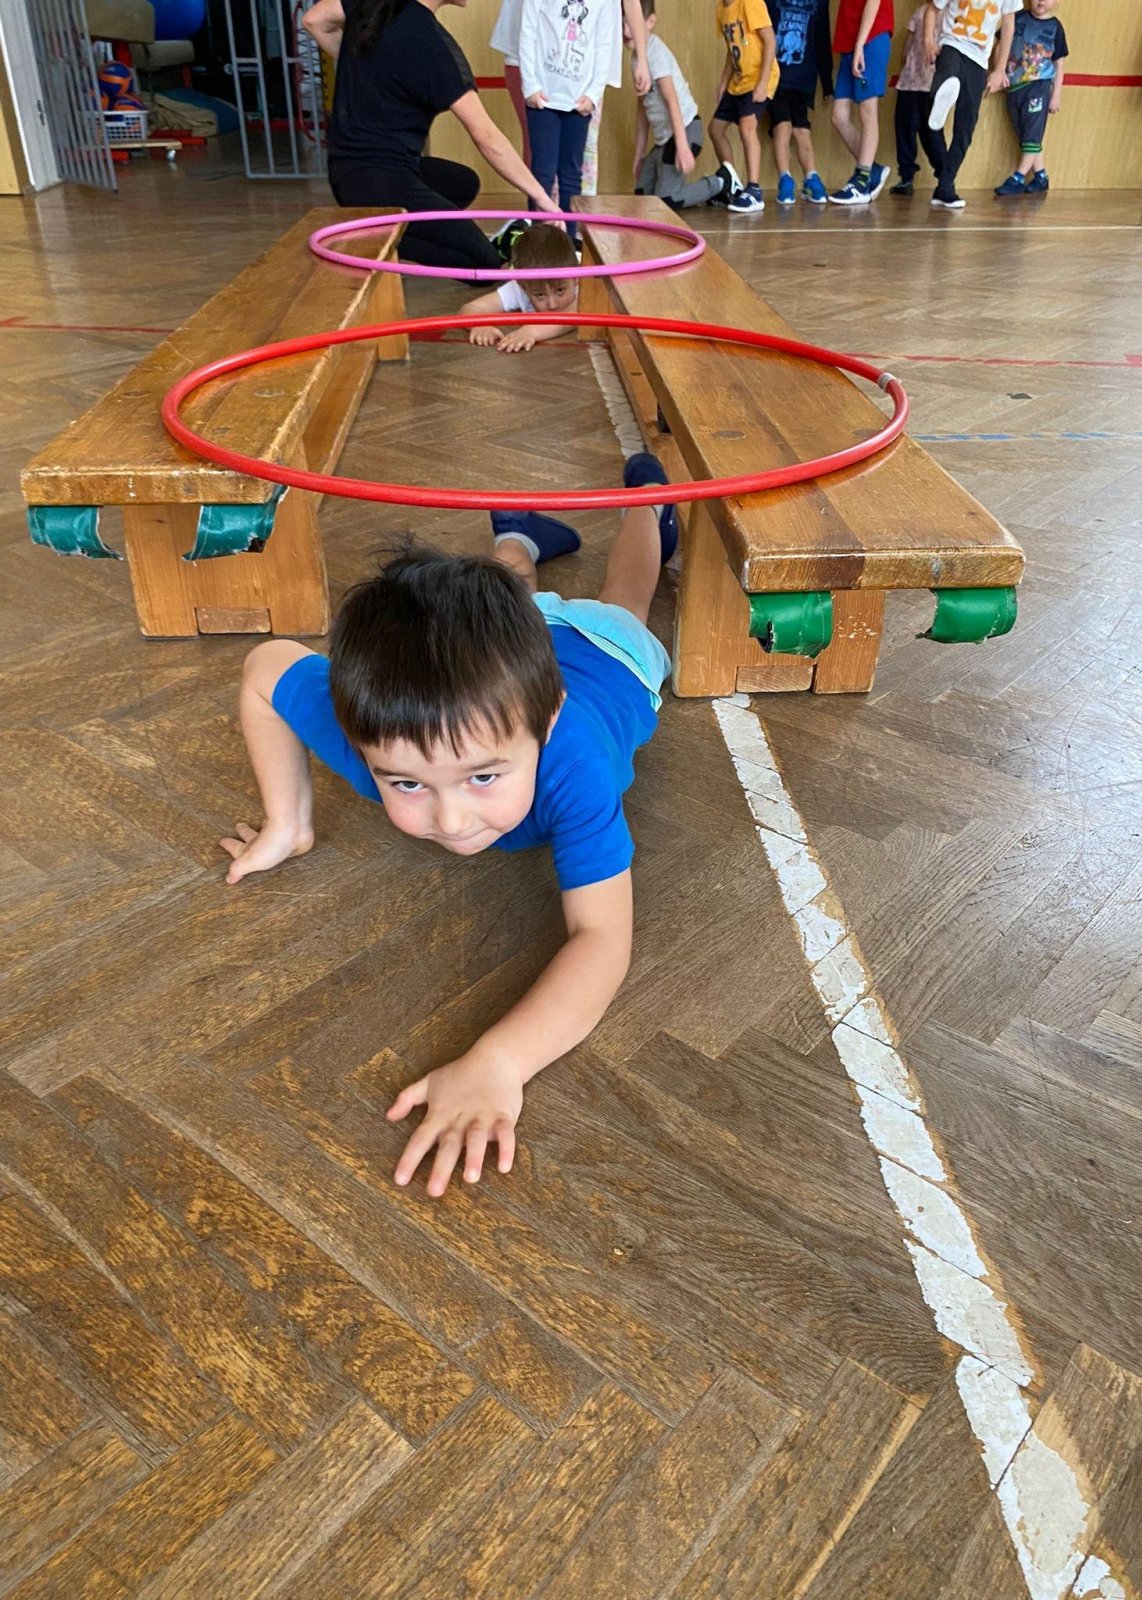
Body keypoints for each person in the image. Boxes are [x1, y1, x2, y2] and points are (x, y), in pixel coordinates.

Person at [220, 456, 680, 1198]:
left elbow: (602, 938)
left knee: (626, 596)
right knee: (504, 604)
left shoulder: (576, 762)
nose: (451, 819)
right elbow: (265, 667)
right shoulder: (370, 727)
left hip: (606, 652)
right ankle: (517, 544)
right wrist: (287, 823)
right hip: (513, 650)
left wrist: (501, 1060)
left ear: (545, 725)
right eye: (406, 783)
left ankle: (647, 505)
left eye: (483, 777)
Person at [303, 0, 555, 275]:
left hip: (349, 172)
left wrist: (367, 67)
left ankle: (390, 230)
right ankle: (376, 241)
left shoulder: (377, 5)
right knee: (485, 265)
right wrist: (541, 197)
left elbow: (314, 20)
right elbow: (487, 137)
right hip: (377, 182)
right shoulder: (430, 43)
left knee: (462, 183)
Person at [491, 0, 651, 180]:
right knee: (541, 153)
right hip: (532, 57)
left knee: (582, 155)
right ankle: (542, 198)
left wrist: (642, 59)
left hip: (585, 67)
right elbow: (527, 30)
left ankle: (573, 199)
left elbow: (631, 4)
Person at [517, 0, 623, 238]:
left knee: (571, 175)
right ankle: (538, 241)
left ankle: (569, 240)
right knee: (542, 172)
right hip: (543, 99)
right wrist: (530, 85)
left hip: (578, 102)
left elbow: (604, 44)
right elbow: (528, 31)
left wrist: (593, 94)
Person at [630, 0, 741, 209]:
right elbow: (642, 108)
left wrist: (682, 146)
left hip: (685, 130)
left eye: (632, 23)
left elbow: (671, 100)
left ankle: (721, 182)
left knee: (666, 202)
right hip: (664, 140)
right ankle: (691, 189)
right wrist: (639, 154)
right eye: (622, 25)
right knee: (643, 197)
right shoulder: (636, 59)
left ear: (650, 22)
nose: (627, 31)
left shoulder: (655, 52)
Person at [925, 0, 1021, 210]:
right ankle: (943, 93)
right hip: (951, 45)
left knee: (966, 128)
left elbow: (1008, 26)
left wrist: (1000, 69)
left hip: (978, 60)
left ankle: (945, 186)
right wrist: (929, 42)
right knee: (942, 89)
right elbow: (932, 8)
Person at [458, 222, 580, 351]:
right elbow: (471, 308)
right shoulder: (523, 284)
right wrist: (479, 326)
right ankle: (512, 232)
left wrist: (531, 331)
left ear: (576, 278)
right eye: (540, 295)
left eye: (560, 291)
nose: (552, 304)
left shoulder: (586, 283)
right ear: (522, 285)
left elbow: (569, 319)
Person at [710, 0, 780, 213]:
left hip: (759, 79)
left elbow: (770, 41)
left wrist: (763, 83)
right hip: (739, 81)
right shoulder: (722, 9)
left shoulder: (750, 3)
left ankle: (754, 190)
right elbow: (732, 49)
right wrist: (723, 82)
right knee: (715, 129)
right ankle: (733, 184)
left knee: (747, 126)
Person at [994, 0, 1067, 197]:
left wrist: (1056, 95)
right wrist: (998, 71)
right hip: (1014, 86)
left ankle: (1018, 178)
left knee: (1033, 133)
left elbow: (1059, 65)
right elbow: (1000, 45)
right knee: (1025, 135)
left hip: (1039, 86)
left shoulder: (1056, 27)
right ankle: (1041, 176)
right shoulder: (1017, 17)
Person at [767, 0, 833, 205]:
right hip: (778, 76)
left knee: (796, 129)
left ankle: (804, 179)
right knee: (789, 128)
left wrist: (827, 82)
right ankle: (794, 180)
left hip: (799, 78)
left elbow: (822, 38)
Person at [827, 0, 893, 205]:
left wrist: (860, 44)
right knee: (839, 116)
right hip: (850, 41)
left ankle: (862, 180)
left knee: (867, 110)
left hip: (870, 38)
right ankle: (872, 169)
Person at [890, 0, 942, 195]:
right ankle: (944, 176)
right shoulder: (951, 16)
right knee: (931, 133)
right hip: (928, 84)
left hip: (913, 82)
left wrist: (906, 65)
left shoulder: (920, 12)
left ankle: (907, 177)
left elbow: (906, 49)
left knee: (907, 131)